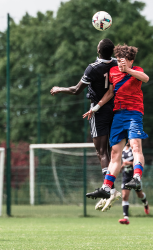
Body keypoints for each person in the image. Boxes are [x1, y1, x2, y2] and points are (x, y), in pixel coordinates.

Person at [50, 39, 120, 209]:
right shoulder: (117, 64)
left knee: (102, 152)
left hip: (98, 110)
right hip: (115, 108)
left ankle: (108, 190)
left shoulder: (93, 68)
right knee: (112, 152)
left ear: (98, 50)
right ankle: (111, 188)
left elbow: (76, 90)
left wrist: (60, 89)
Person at [84, 44, 149, 212]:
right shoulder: (113, 72)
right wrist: (96, 107)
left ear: (130, 61)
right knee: (114, 154)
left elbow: (145, 78)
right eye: (119, 61)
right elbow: (111, 92)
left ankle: (137, 177)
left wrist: (128, 70)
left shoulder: (136, 70)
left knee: (135, 145)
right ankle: (106, 187)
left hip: (134, 114)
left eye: (124, 61)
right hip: (118, 115)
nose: (120, 64)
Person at [119, 142, 149, 225]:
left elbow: (139, 162)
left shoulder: (135, 149)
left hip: (134, 177)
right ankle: (126, 218)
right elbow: (122, 162)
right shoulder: (122, 150)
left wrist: (127, 163)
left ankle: (145, 203)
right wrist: (121, 167)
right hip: (125, 177)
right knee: (124, 196)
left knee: (140, 195)